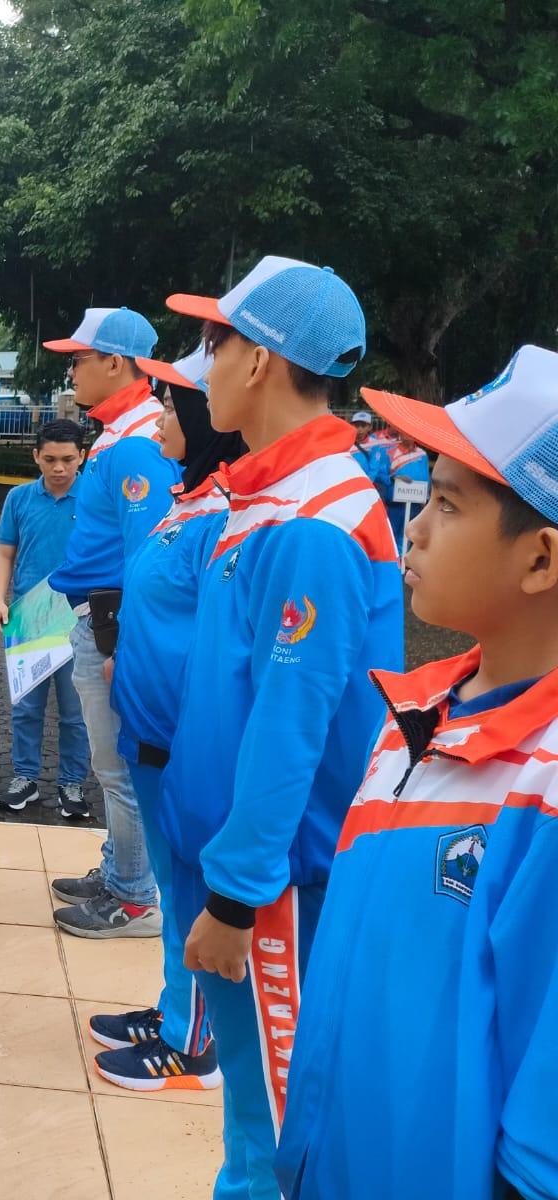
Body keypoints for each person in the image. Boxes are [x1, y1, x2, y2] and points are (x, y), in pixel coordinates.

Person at [276, 345, 558, 1200]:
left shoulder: (543, 786)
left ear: (541, 559)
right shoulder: (416, 715)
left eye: (447, 503)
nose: (417, 529)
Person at [161, 255, 403, 1198]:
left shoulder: (314, 517)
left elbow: (292, 723)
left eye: (213, 345)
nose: (202, 369)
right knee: (251, 1117)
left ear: (259, 359)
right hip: (241, 864)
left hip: (274, 887)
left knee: (274, 1142)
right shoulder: (266, 495)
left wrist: (234, 900)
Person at [92, 345, 248, 1092]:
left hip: (181, 738)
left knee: (188, 884)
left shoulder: (221, 515)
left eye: (172, 407)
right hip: (149, 728)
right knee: (173, 882)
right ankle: (175, 1005)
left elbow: (216, 640)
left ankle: (194, 1043)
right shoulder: (190, 500)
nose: (158, 419)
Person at [42, 307, 180, 937]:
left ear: (116, 363)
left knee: (119, 769)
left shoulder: (137, 443)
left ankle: (133, 896)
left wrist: (124, 643)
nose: (72, 370)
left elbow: (146, 554)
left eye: (79, 359)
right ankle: (120, 869)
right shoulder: (119, 433)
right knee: (111, 766)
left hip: (111, 624)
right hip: (99, 619)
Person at [0, 420, 91, 815]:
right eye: (49, 459)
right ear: (36, 456)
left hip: (79, 616)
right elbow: (5, 554)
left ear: (82, 456)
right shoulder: (18, 498)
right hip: (29, 617)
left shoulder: (95, 498)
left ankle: (72, 784)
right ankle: (25, 778)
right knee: (26, 707)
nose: (59, 468)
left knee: (75, 712)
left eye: (67, 459)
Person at [385, 430, 430, 548]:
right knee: (391, 535)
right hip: (395, 502)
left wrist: (426, 498)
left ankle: (404, 557)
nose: (409, 436)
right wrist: (394, 477)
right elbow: (382, 474)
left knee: (408, 535)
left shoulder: (422, 454)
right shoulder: (390, 452)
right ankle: (394, 558)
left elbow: (426, 476)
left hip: (415, 502)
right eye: (406, 433)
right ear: (400, 433)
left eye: (411, 433)